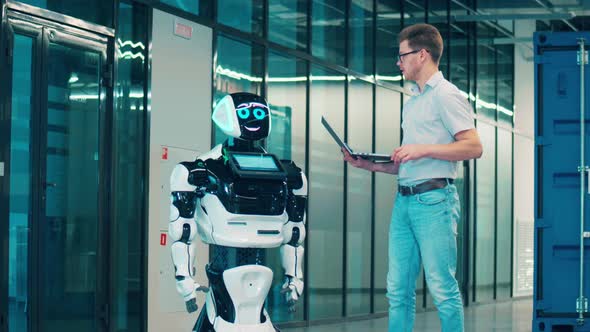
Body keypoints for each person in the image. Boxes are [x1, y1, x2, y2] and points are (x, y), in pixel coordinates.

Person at [343, 23, 482, 332]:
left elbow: (474, 146)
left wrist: (420, 149)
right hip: (404, 202)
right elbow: (412, 162)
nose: (398, 62)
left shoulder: (447, 96)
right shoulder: (413, 101)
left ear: (422, 55)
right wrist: (370, 165)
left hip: (435, 202)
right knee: (397, 290)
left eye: (402, 55)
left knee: (442, 287)